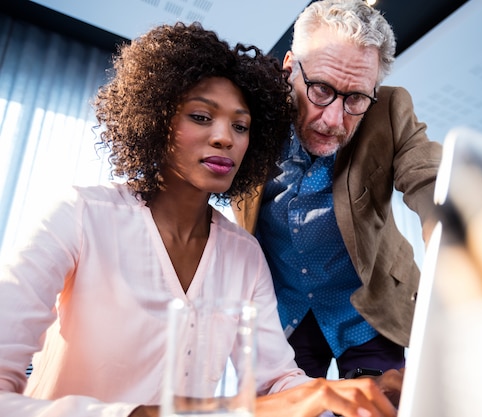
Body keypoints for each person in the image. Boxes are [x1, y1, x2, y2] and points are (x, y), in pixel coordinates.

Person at [0, 22, 401, 417]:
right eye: (201, 117)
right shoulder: (79, 217)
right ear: (157, 118)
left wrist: (356, 400)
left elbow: (279, 382)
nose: (225, 137)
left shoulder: (243, 256)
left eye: (241, 126)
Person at [233, 0, 443, 378]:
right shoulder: (250, 115)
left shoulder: (389, 110)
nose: (333, 119)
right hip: (286, 313)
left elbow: (427, 174)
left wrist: (451, 236)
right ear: (289, 70)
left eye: (356, 98)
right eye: (320, 89)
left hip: (369, 310)